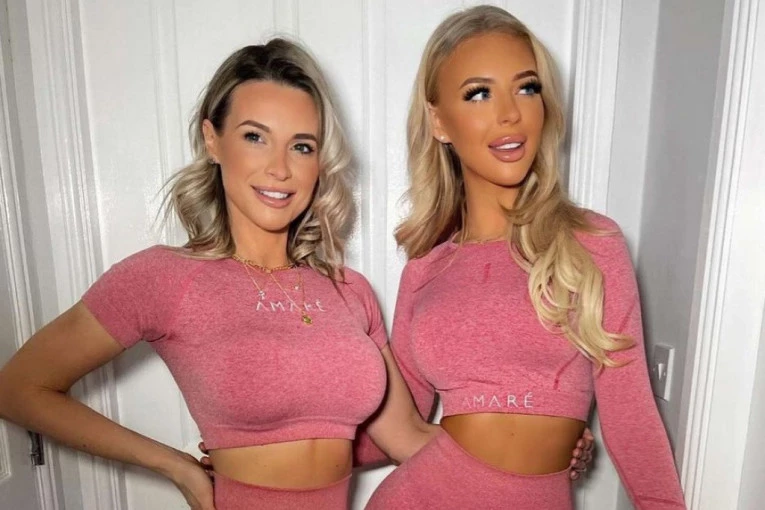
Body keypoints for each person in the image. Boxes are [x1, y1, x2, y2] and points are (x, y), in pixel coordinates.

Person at [0, 37, 592, 510]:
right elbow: (19, 388)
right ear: (212, 138)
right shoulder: (164, 278)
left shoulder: (348, 292)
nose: (280, 168)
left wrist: (542, 439)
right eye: (255, 137)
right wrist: (174, 465)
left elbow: (409, 438)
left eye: (302, 146)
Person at [365, 5, 686, 510]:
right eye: (479, 93)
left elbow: (633, 418)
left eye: (527, 88)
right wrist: (268, 442)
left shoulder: (592, 243)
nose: (510, 113)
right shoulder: (425, 271)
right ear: (439, 121)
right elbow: (394, 427)